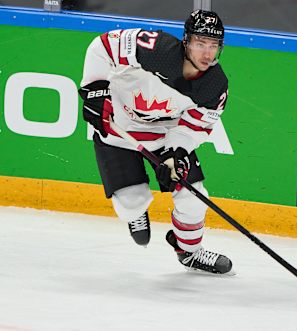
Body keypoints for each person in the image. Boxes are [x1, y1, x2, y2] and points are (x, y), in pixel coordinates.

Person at [78, 10, 232, 274]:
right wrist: (96, 90)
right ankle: (135, 212)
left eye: (213, 45)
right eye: (200, 44)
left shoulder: (214, 86)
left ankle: (190, 253)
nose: (207, 53)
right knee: (130, 203)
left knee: (194, 198)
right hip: (118, 130)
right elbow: (102, 46)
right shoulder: (155, 49)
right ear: (186, 41)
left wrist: (177, 152)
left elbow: (194, 126)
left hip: (163, 137)